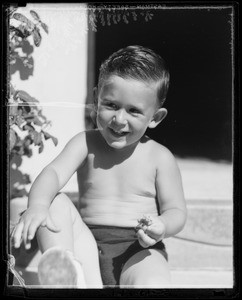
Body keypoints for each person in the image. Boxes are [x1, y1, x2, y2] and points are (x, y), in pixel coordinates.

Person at [11, 45, 187, 288]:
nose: (119, 119)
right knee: (54, 200)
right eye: (111, 105)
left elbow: (176, 211)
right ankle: (64, 271)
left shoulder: (160, 157)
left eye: (134, 111)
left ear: (155, 118)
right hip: (86, 246)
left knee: (152, 280)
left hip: (137, 250)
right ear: (96, 99)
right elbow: (52, 173)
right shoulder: (85, 142)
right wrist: (37, 206)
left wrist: (163, 225)